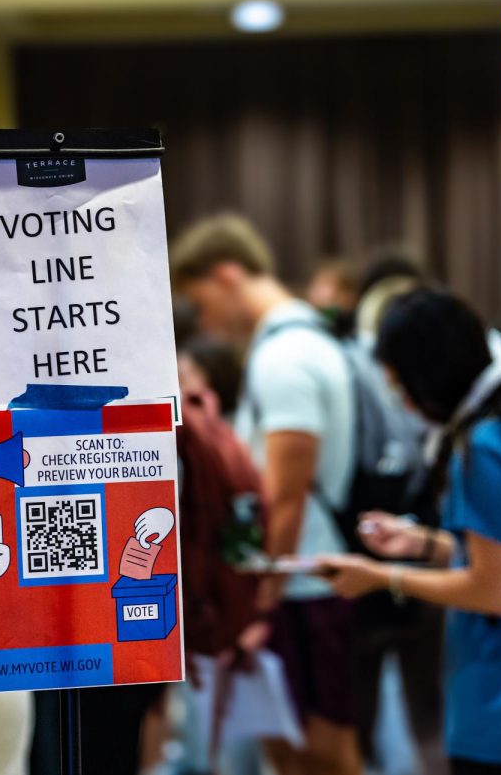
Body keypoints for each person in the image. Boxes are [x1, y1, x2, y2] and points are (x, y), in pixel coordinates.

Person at [315, 288, 501, 775]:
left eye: (401, 386)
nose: (402, 402)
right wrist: (421, 544)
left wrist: (382, 577)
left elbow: (492, 588)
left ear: (429, 376)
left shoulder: (483, 447)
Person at [170, 213, 361, 775]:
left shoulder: (285, 357)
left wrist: (261, 599)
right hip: (304, 577)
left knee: (316, 748)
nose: (205, 322)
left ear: (227, 275)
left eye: (201, 302)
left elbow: (286, 494)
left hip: (301, 583)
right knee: (298, 747)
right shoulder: (304, 342)